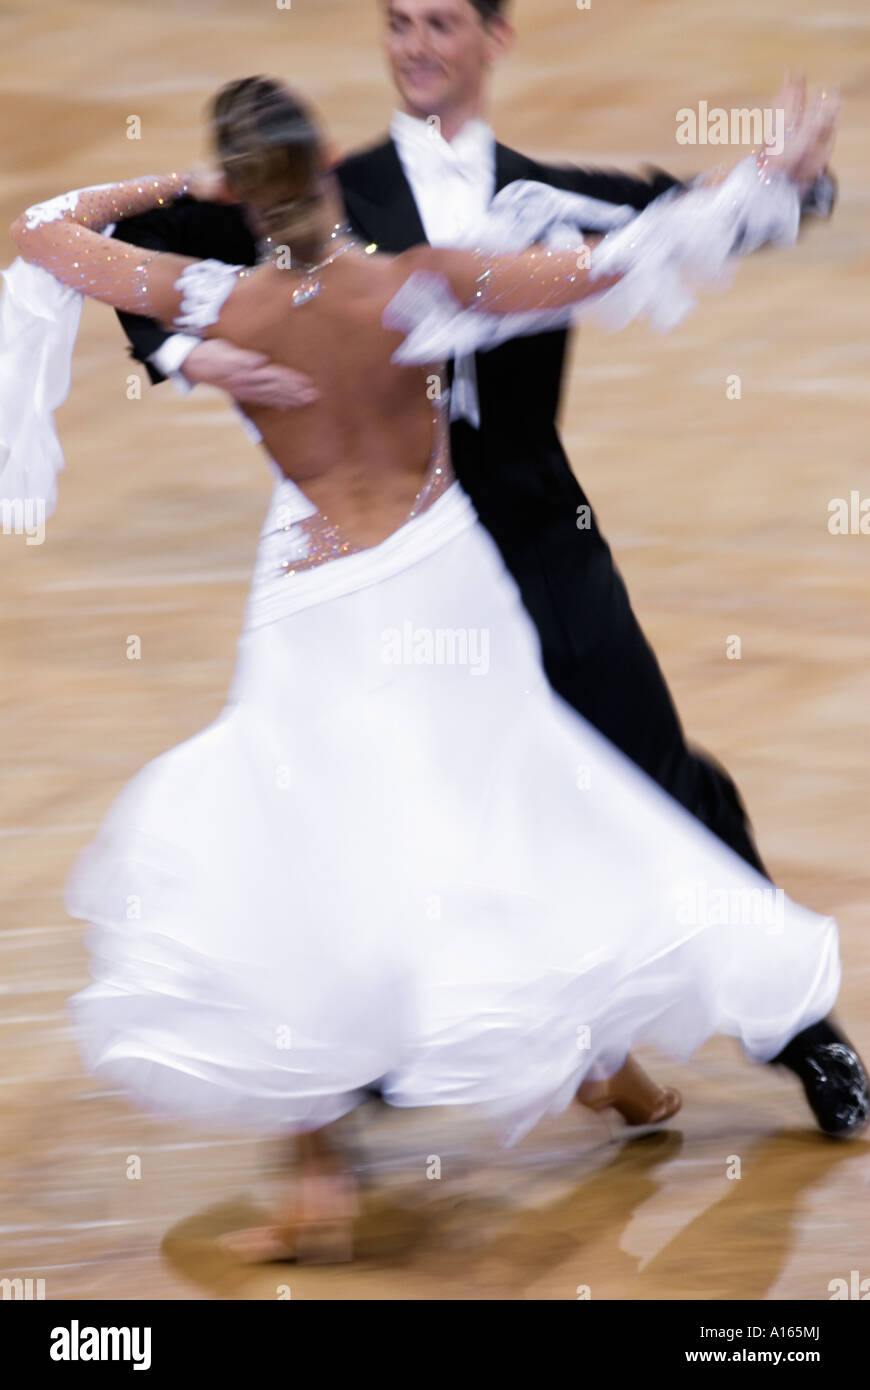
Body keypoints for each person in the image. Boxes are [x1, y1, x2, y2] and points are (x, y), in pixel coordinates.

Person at [8, 77, 865, 1265]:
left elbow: (41, 232)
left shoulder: (220, 300)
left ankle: (326, 1177)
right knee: (514, 818)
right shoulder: (421, 282)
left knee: (307, 864)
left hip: (315, 611)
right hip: (448, 586)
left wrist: (175, 188)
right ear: (323, 177)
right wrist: (764, 180)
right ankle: (604, 1066)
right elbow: (614, 264)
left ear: (244, 195)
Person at [109, 0, 836, 880]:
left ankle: (789, 1018)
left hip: (536, 522)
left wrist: (793, 184)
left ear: (497, 37)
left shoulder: (551, 192)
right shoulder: (323, 189)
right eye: (399, 23)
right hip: (386, 543)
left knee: (647, 758)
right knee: (394, 799)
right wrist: (194, 355)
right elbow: (137, 242)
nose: (415, 46)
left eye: (442, 23)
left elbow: (683, 221)